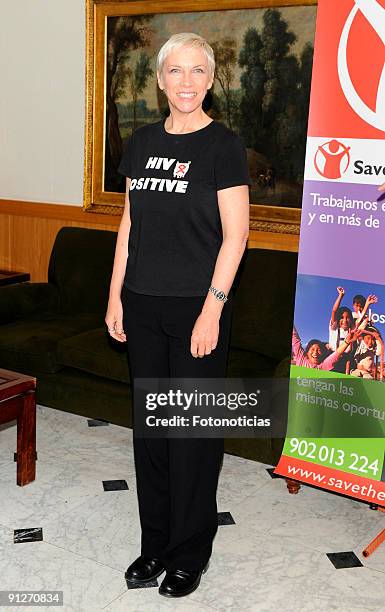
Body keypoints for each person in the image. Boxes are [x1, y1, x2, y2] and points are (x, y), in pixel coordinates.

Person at [105, 33, 250, 599]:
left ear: (210, 80)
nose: (186, 82)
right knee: (153, 434)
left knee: (191, 435)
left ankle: (191, 550)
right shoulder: (141, 142)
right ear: (160, 79)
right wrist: (116, 294)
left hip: (198, 308)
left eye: (197, 71)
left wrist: (212, 309)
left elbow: (236, 236)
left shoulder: (224, 146)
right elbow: (129, 224)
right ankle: (155, 543)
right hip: (141, 304)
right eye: (175, 71)